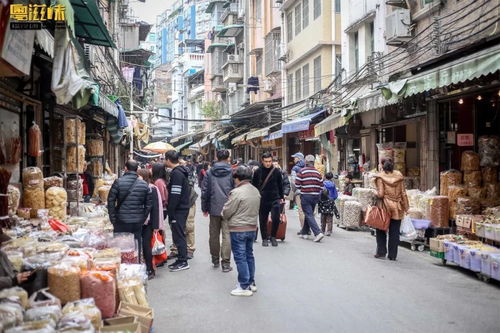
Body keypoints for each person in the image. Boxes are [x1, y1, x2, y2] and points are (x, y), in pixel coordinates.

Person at [222, 166, 260, 297]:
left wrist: (224, 213)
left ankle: (244, 285)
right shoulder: (255, 191)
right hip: (251, 227)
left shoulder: (236, 192)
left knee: (240, 257)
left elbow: (227, 211)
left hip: (238, 228)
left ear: (237, 178)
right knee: (249, 255)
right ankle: (251, 282)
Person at [108, 160, 152, 259]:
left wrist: (113, 219)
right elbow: (149, 205)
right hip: (137, 221)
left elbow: (110, 201)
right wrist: (142, 218)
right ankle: (136, 266)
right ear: (137, 170)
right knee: (136, 245)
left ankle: (122, 265)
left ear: (126, 168)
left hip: (121, 221)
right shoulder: (144, 185)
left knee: (120, 246)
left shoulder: (118, 182)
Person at [201, 149, 234, 272]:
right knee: (227, 235)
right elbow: (235, 190)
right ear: (228, 158)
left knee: (214, 235)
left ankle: (215, 259)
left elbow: (205, 191)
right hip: (228, 208)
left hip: (214, 208)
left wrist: (204, 207)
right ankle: (225, 263)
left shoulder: (210, 172)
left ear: (216, 157)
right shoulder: (232, 172)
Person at [374, 159, 409, 261]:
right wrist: (407, 208)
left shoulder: (380, 177)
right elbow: (403, 193)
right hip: (397, 207)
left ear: (382, 166)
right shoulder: (399, 176)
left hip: (384, 207)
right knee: (394, 232)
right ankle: (392, 255)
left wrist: (374, 192)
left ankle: (381, 252)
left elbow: (380, 194)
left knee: (381, 229)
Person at [164, 150, 191, 272]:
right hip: (182, 207)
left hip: (179, 209)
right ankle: (180, 259)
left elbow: (175, 194)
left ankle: (183, 261)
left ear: (168, 160)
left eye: (165, 159)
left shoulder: (177, 174)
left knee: (179, 234)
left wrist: (171, 210)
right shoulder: (180, 171)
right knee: (179, 234)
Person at [252, 152, 284, 247]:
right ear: (262, 161)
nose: (268, 163)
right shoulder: (258, 172)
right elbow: (254, 186)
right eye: (266, 161)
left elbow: (280, 185)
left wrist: (281, 197)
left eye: (270, 161)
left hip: (275, 198)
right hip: (262, 199)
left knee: (275, 218)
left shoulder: (276, 171)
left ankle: (273, 236)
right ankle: (264, 238)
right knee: (263, 219)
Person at [137, 168, 161, 280]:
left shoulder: (152, 189)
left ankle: (150, 269)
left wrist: (156, 226)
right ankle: (141, 267)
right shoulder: (137, 187)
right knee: (138, 245)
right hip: (137, 220)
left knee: (146, 246)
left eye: (139, 175)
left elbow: (155, 208)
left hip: (148, 222)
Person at [295, 155, 324, 242]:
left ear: (306, 162)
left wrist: (303, 187)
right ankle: (304, 232)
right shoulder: (318, 173)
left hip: (306, 196)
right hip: (315, 196)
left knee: (308, 214)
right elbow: (321, 186)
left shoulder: (302, 171)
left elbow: (297, 185)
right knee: (309, 213)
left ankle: (318, 233)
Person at [291, 153, 305, 228]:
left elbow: (293, 182)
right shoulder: (307, 167)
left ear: (299, 158)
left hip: (299, 192)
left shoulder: (295, 168)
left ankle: (303, 228)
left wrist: (294, 191)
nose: (294, 159)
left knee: (301, 210)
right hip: (308, 192)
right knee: (307, 211)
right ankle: (308, 228)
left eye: (295, 158)